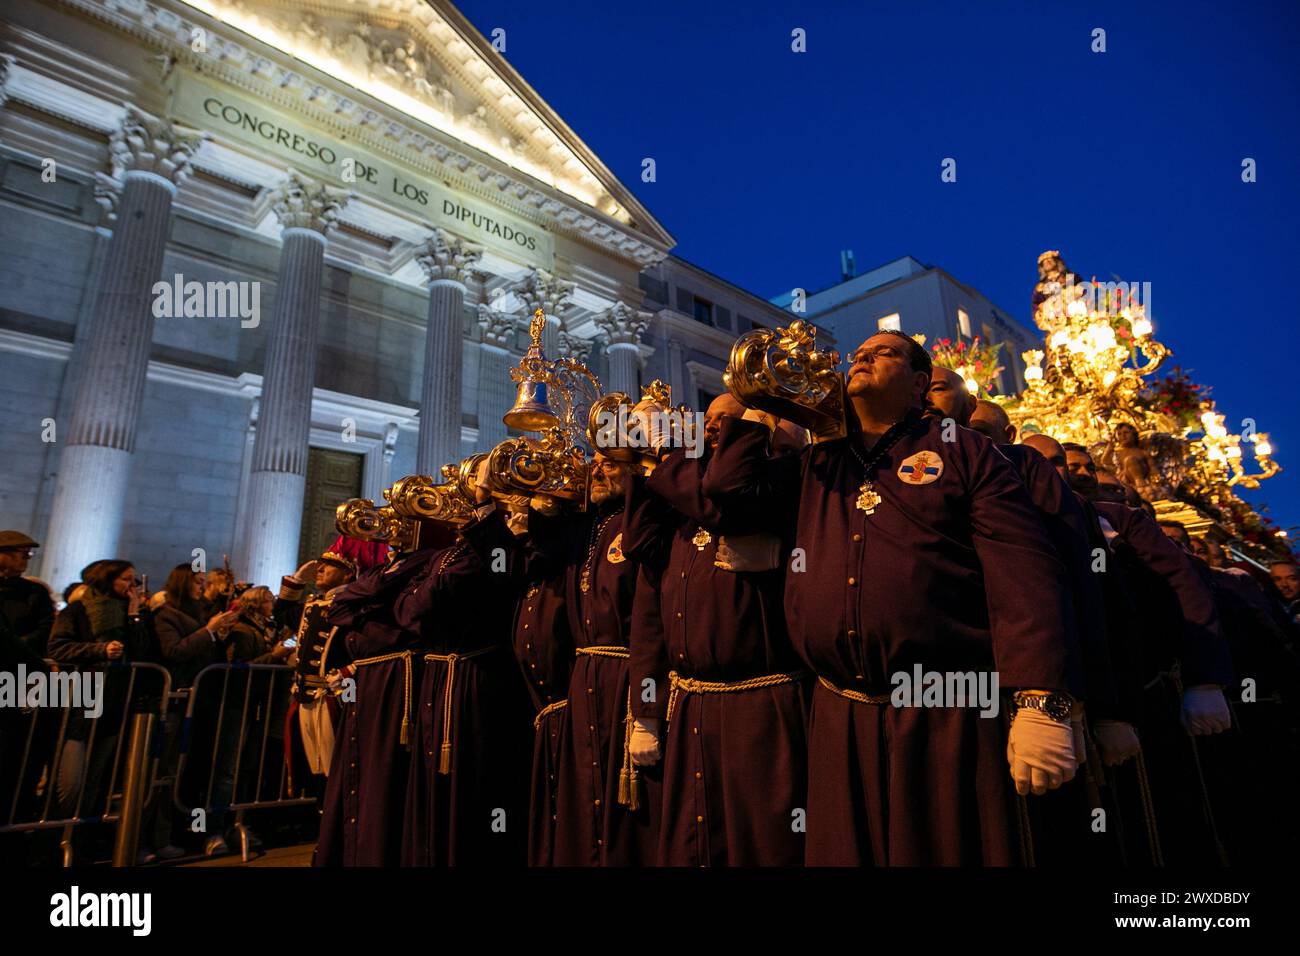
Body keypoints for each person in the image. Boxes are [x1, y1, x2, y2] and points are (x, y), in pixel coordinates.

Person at [705, 329, 1081, 865]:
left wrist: (1041, 699)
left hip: (946, 708)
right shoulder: (818, 462)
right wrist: (762, 407)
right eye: (858, 354)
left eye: (884, 354)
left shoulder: (966, 451)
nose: (862, 358)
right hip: (841, 709)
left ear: (919, 383)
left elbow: (1024, 572)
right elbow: (729, 494)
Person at [624, 393, 811, 866]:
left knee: (763, 841)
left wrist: (669, 453)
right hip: (692, 705)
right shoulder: (689, 494)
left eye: (729, 422)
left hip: (761, 707)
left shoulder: (783, 479)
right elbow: (639, 542)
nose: (712, 430)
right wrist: (651, 460)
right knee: (696, 841)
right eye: (705, 422)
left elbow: (726, 500)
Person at [393, 465, 533, 867]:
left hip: (476, 681)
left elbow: (494, 573)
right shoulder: (448, 553)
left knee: (476, 786)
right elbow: (407, 609)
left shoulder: (501, 545)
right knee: (429, 784)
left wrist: (487, 508)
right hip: (439, 679)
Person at [47, 560, 155, 837]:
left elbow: (142, 651)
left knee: (96, 779)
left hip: (114, 701)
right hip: (81, 700)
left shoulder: (132, 613)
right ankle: (54, 835)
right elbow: (58, 646)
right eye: (125, 580)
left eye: (134, 581)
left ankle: (79, 839)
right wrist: (99, 650)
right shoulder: (78, 610)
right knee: (70, 780)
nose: (132, 587)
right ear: (107, 580)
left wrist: (133, 614)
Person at [150, 564, 240, 861]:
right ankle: (158, 837)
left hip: (205, 702)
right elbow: (174, 651)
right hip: (177, 701)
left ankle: (194, 831)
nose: (201, 587)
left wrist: (220, 634)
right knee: (164, 773)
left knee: (197, 771)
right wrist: (209, 631)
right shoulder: (167, 615)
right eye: (197, 582)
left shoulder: (201, 613)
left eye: (204, 582)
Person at [276, 551, 357, 798]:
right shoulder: (312, 605)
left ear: (348, 573)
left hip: (333, 696)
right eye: (319, 566)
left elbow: (368, 647)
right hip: (305, 695)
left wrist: (348, 672)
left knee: (335, 768)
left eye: (329, 566)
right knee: (311, 767)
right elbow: (281, 614)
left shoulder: (353, 605)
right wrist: (296, 580)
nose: (320, 570)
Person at [0, 531, 54, 658]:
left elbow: (46, 627)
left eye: (29, 554)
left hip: (19, 661)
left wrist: (16, 644)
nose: (27, 559)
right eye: (23, 554)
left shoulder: (35, 591)